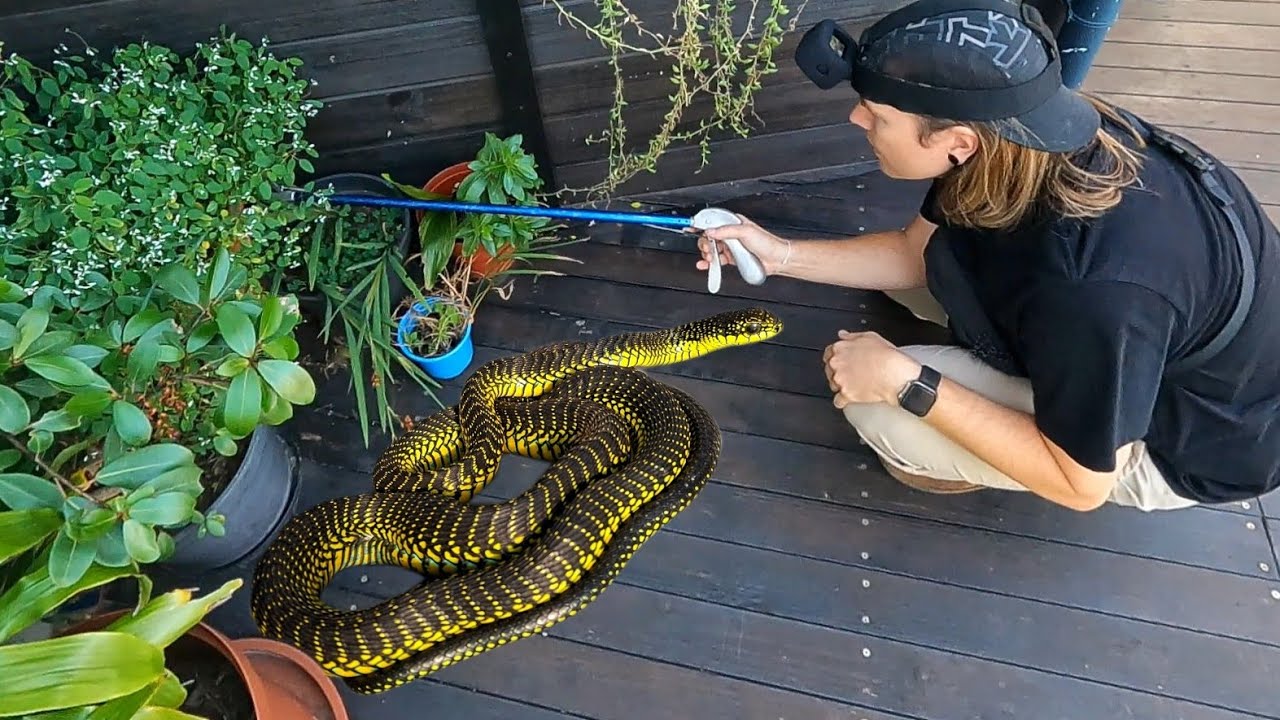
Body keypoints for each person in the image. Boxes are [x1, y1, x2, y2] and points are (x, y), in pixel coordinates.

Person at [695, 0, 1280, 512]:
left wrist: (907, 382)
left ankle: (964, 447)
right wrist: (777, 253)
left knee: (879, 413)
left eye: (879, 116)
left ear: (956, 144)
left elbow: (1081, 485)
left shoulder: (1090, 289)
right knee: (917, 282)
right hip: (1145, 335)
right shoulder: (1020, 139)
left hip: (1191, 440)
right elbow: (911, 256)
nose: (857, 118)